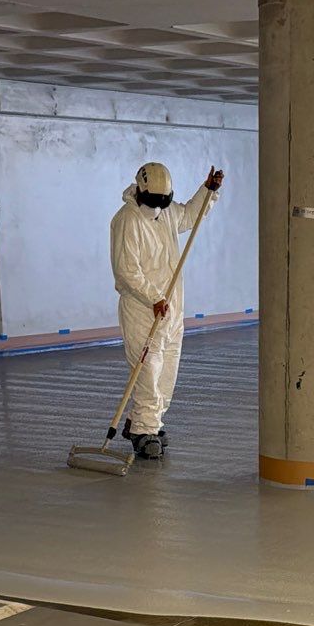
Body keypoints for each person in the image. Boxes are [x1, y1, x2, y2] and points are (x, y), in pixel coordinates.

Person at [109, 161, 224, 459]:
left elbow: (188, 215)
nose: (158, 207)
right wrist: (153, 297)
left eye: (164, 202)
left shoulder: (167, 213)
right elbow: (126, 271)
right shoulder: (127, 221)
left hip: (171, 310)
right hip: (142, 310)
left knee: (167, 371)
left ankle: (148, 422)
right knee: (149, 370)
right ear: (141, 192)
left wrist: (207, 191)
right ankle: (144, 432)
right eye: (154, 202)